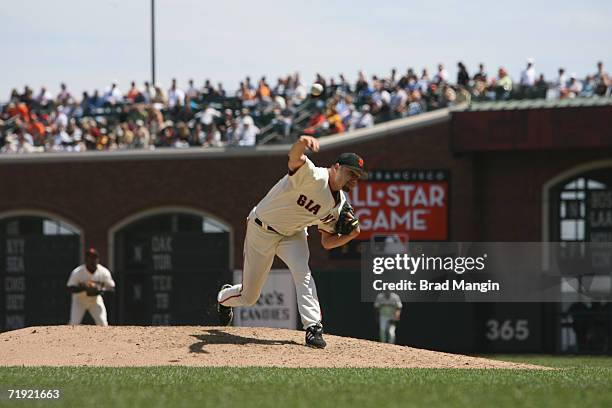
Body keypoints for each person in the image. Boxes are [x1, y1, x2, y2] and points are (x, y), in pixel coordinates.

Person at [216, 136, 365, 348]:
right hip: (261, 228)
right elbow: (294, 158)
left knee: (302, 273)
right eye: (351, 173)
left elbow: (327, 242)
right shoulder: (313, 175)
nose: (353, 179)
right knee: (249, 297)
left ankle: (313, 327)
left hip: (293, 235)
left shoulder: (340, 205)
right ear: (337, 167)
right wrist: (301, 142)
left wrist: (350, 235)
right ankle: (224, 297)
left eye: (357, 176)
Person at [66, 248, 116, 326]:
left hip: (95, 300)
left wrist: (100, 289)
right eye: (90, 258)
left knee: (103, 323)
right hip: (79, 300)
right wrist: (85, 288)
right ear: (86, 260)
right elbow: (69, 288)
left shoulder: (103, 271)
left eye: (94, 257)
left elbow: (112, 288)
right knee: (74, 323)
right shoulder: (78, 272)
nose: (92, 260)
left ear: (98, 259)